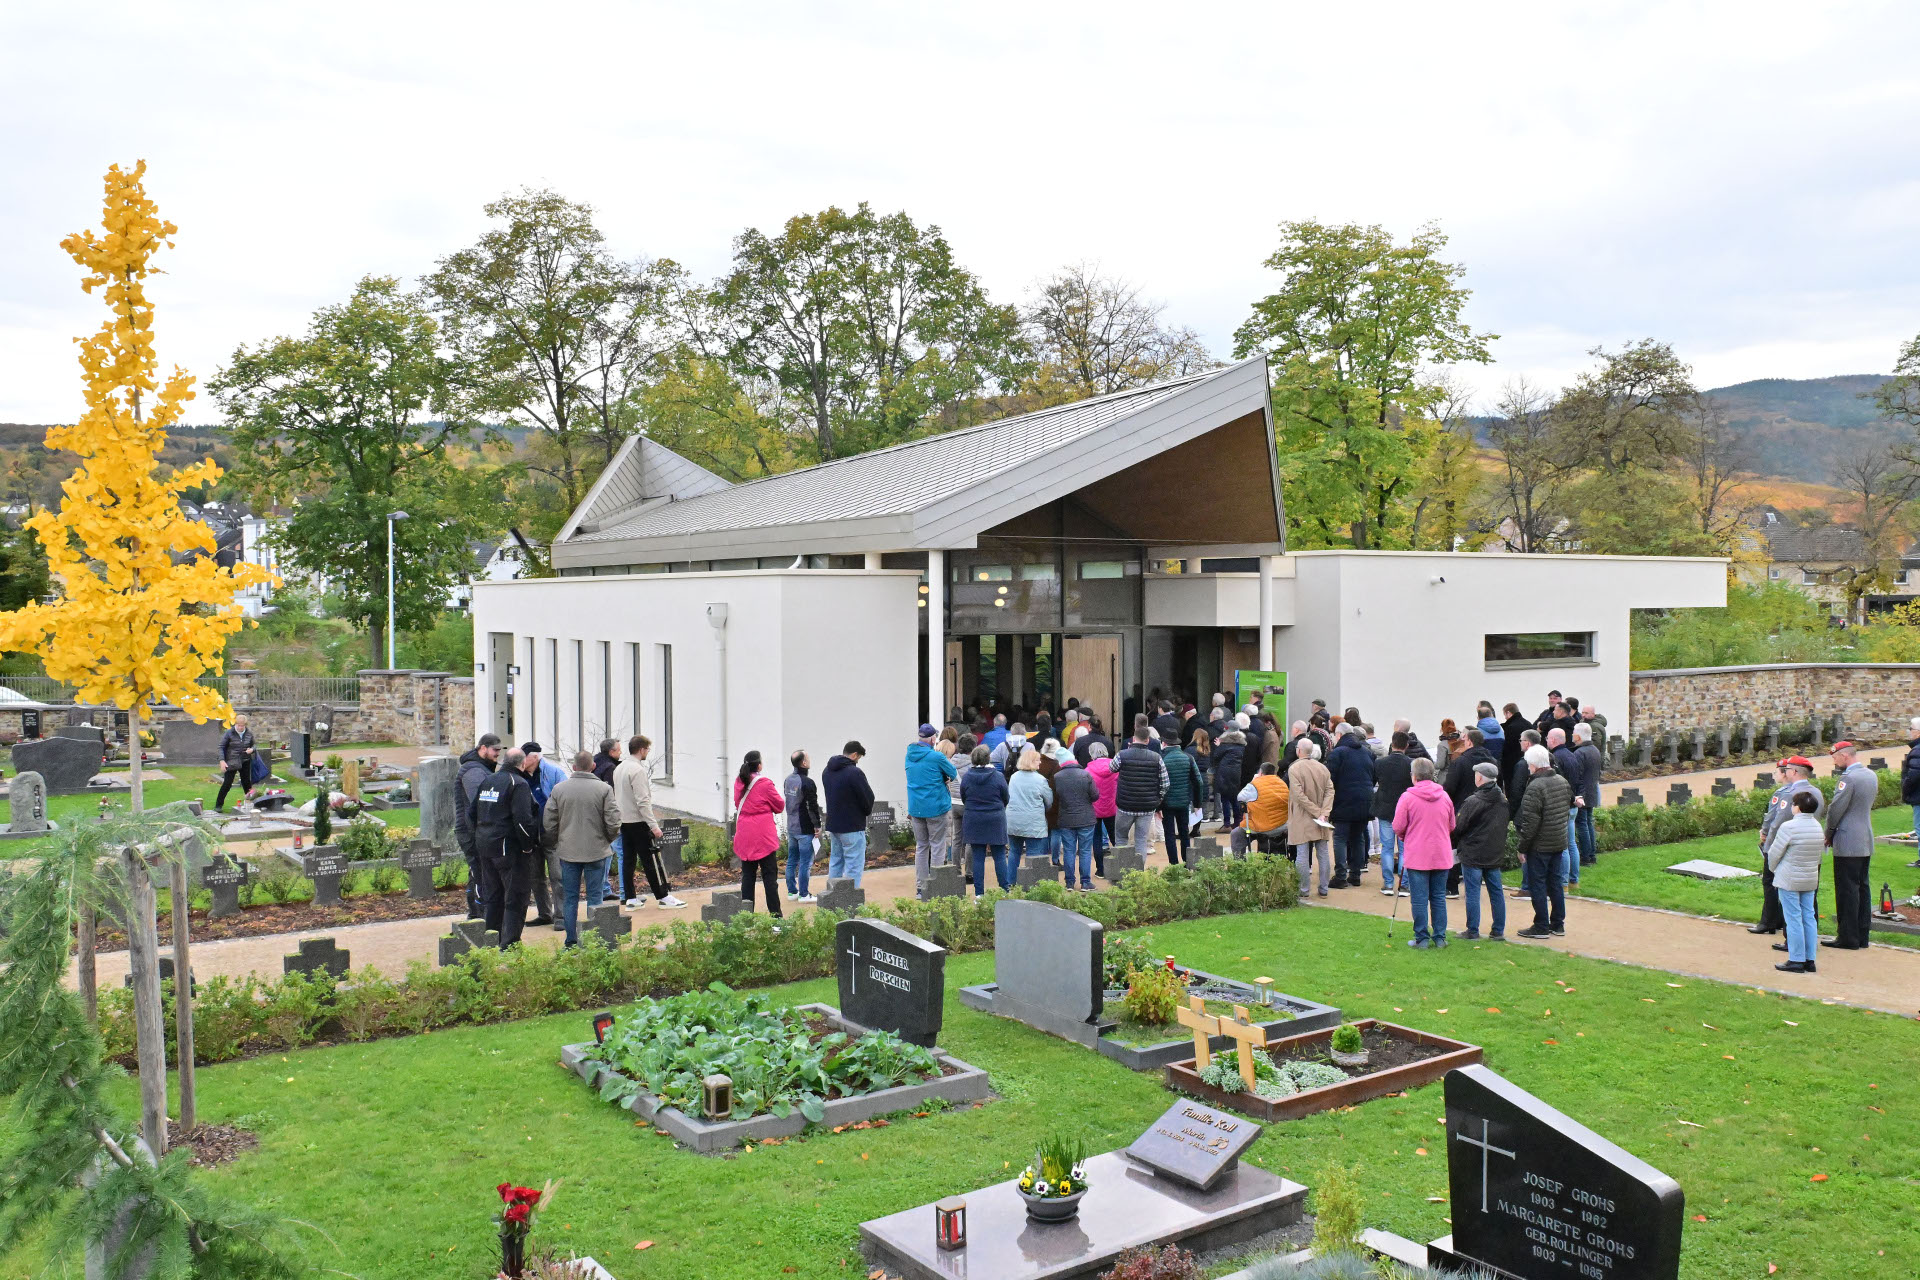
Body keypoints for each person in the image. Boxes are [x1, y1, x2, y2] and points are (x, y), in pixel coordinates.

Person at [543, 750, 623, 947]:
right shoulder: (604, 789)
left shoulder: (559, 789)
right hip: (596, 851)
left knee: (570, 898)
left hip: (568, 852)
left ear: (574, 767)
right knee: (595, 897)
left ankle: (571, 941)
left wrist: (559, 840)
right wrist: (606, 840)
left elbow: (549, 822)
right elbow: (613, 822)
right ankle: (593, 942)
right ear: (593, 766)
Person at [469, 748, 540, 948]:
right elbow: (523, 820)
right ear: (523, 763)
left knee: (493, 896)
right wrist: (528, 846)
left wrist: (481, 834)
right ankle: (510, 944)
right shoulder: (518, 783)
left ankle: (492, 940)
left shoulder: (488, 780)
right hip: (508, 849)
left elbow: (472, 813)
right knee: (516, 897)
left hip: (485, 846)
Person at [1752, 755, 1822, 935]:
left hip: (1788, 848)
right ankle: (1808, 934)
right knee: (1809, 897)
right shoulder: (1816, 792)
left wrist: (1768, 844)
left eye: (1788, 769)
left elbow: (1778, 822)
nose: (1785, 772)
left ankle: (1779, 928)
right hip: (1811, 848)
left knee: (1779, 887)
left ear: (1795, 771)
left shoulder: (1790, 794)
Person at [613, 735, 683, 909]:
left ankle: (630, 898)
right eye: (647, 749)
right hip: (638, 822)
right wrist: (654, 826)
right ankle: (663, 896)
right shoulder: (637, 770)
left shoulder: (620, 768)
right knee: (651, 859)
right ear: (642, 749)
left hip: (624, 821)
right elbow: (643, 801)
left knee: (628, 860)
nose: (647, 752)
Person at [1393, 756, 1457, 948]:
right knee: (1438, 897)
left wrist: (1407, 836)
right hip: (1440, 853)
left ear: (1414, 776)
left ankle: (1422, 938)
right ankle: (1439, 937)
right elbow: (1451, 825)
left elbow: (1398, 826)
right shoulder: (1444, 797)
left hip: (1418, 854)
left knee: (1420, 899)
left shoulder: (1408, 797)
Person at [1515, 745, 1572, 939]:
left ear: (1533, 765)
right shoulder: (1562, 781)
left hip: (1540, 844)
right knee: (1555, 883)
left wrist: (1522, 848)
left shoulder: (1535, 787)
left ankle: (1541, 925)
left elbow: (1530, 823)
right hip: (1558, 840)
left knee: (1538, 884)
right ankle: (1558, 923)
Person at [1766, 790, 1826, 973]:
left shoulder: (1789, 827)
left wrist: (1773, 869)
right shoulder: (1817, 826)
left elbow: (1774, 853)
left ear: (1798, 808)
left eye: (1793, 804)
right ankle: (1809, 958)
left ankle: (1796, 959)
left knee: (1793, 918)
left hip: (1789, 877)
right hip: (1809, 877)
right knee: (1808, 916)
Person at [1824, 741, 1876, 949]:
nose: (1834, 762)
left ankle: (1848, 937)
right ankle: (1862, 935)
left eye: (1835, 757)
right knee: (1862, 888)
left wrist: (1828, 833)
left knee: (1847, 890)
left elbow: (1836, 809)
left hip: (1847, 838)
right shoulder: (1870, 775)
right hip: (1864, 837)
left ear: (1845, 755)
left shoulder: (1848, 778)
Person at [1455, 762, 1510, 940]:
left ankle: (1472, 930)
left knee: (1472, 892)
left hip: (1473, 853)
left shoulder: (1473, 801)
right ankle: (1498, 931)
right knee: (1496, 892)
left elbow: (1459, 827)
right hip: (1494, 852)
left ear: (1479, 778)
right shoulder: (1503, 800)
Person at [905, 723, 959, 897]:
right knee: (937, 846)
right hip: (936, 807)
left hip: (916, 808)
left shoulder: (909, 755)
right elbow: (953, 773)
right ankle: (935, 886)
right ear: (933, 738)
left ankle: (920, 888)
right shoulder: (937, 757)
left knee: (921, 847)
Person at [731, 750, 785, 918]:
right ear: (759, 765)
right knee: (770, 878)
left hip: (745, 834)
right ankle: (776, 917)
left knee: (748, 877)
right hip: (763, 837)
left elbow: (737, 803)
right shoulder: (765, 784)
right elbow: (779, 805)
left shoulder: (739, 782)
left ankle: (746, 918)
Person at [453, 734, 501, 919]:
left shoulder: (481, 768)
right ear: (483, 748)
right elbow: (481, 803)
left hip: (475, 830)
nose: (497, 754)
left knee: (478, 871)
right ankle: (479, 915)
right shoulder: (473, 771)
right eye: (495, 750)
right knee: (480, 872)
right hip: (470, 831)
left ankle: (477, 914)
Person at [1327, 724, 1376, 887]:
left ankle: (1340, 876)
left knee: (1340, 838)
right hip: (1365, 800)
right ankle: (1355, 875)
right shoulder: (1367, 752)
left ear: (1339, 735)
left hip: (1343, 801)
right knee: (1358, 837)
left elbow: (1330, 780)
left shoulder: (1337, 753)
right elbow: (1373, 776)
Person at [960, 744, 1012, 895]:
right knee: (1000, 856)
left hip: (974, 819)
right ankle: (1005, 890)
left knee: (978, 858)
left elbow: (964, 797)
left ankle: (979, 895)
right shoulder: (998, 776)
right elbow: (1006, 798)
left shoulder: (967, 777)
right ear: (988, 758)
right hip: (995, 818)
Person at [1286, 738, 1334, 897]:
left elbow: (1298, 795)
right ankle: (1324, 888)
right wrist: (1324, 812)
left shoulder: (1294, 768)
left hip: (1302, 816)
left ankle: (1304, 889)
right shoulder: (1322, 768)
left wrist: (1319, 812)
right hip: (1320, 818)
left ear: (1298, 750)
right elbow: (1330, 791)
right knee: (1323, 852)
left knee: (1302, 853)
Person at [823, 741, 875, 887]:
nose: (858, 761)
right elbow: (867, 797)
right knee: (854, 865)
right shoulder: (854, 773)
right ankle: (851, 898)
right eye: (859, 758)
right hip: (852, 825)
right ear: (854, 755)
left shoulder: (827, 771)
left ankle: (832, 896)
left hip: (834, 824)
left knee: (836, 862)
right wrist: (866, 811)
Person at [1113, 727, 1170, 859]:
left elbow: (1112, 768)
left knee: (1121, 838)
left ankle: (1121, 868)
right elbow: (1166, 783)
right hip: (1147, 806)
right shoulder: (1156, 757)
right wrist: (1158, 798)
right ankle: (1139, 870)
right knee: (1141, 840)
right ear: (1147, 740)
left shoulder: (1122, 754)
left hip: (1125, 805)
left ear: (1133, 739)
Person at [1371, 731, 1415, 897]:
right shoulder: (1411, 764)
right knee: (1404, 850)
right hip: (1406, 810)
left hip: (1386, 808)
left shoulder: (1380, 763)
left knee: (1387, 848)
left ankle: (1388, 884)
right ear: (1406, 746)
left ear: (1392, 743)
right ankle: (1403, 885)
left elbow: (1374, 782)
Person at [1051, 745, 1100, 888]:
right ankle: (1085, 882)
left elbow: (1055, 798)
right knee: (1085, 851)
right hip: (1086, 818)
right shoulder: (1085, 774)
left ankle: (1069, 883)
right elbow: (1095, 795)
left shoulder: (1057, 777)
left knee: (1068, 851)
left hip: (1066, 819)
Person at [782, 749, 822, 903]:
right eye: (808, 758)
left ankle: (792, 892)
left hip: (791, 827)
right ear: (804, 763)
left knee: (792, 860)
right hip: (804, 829)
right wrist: (817, 825)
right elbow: (812, 806)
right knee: (805, 863)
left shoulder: (788, 780)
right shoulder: (807, 782)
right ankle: (804, 895)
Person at [1160, 733, 1203, 864]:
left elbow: (1158, 784)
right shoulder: (1188, 757)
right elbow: (1198, 782)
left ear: (1164, 743)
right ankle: (1187, 862)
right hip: (1184, 802)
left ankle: (1174, 864)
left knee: (1169, 834)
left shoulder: (1162, 759)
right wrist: (1197, 803)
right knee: (1184, 833)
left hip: (1166, 803)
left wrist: (1157, 806)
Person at [1006, 747, 1053, 867]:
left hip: (1013, 820)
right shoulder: (1040, 780)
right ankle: (1031, 879)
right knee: (1033, 855)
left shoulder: (1014, 777)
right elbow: (1049, 801)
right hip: (1033, 822)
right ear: (1031, 762)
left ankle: (1011, 879)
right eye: (1038, 760)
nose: (1040, 762)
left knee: (1014, 852)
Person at [1231, 762, 1290, 856]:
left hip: (1262, 826)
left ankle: (1239, 861)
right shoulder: (1282, 783)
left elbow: (1240, 797)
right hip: (1282, 825)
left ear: (1261, 773)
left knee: (1236, 834)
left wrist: (1253, 781)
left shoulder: (1255, 784)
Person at [1570, 723, 1603, 868]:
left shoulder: (1579, 753)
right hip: (1592, 791)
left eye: (1573, 733)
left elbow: (1577, 775)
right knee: (1588, 823)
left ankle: (1585, 856)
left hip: (1583, 793)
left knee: (1582, 824)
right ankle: (1592, 855)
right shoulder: (1595, 750)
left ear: (1578, 736)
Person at [1086, 742, 1119, 875]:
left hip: (1094, 809)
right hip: (1112, 807)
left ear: (1091, 754)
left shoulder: (1088, 771)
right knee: (1115, 838)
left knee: (1097, 839)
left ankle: (1100, 870)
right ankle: (1120, 866)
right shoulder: (1115, 767)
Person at [214, 714, 257, 812]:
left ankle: (251, 804)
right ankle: (218, 805)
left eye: (242, 726)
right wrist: (222, 761)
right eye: (239, 725)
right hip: (231, 761)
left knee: (247, 783)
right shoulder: (229, 733)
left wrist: (252, 749)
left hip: (245, 761)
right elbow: (221, 747)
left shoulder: (249, 733)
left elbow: (254, 745)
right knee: (227, 783)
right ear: (235, 724)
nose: (241, 727)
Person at [1212, 729, 1248, 827]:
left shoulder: (1224, 745)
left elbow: (1216, 756)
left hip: (1224, 774)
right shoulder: (1242, 746)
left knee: (1225, 799)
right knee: (1234, 798)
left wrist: (1218, 746)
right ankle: (1237, 821)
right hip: (1236, 773)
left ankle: (1227, 824)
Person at [1498, 703, 1529, 799]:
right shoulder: (1528, 724)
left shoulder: (1510, 728)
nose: (1505, 718)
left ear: (1508, 713)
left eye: (1505, 715)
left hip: (1511, 765)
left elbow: (1507, 749)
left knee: (1513, 792)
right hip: (1528, 762)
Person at [1902, 717, 1920, 853]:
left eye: (1911, 729)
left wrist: (1905, 789)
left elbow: (1913, 775)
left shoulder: (1917, 751)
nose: (1910, 731)